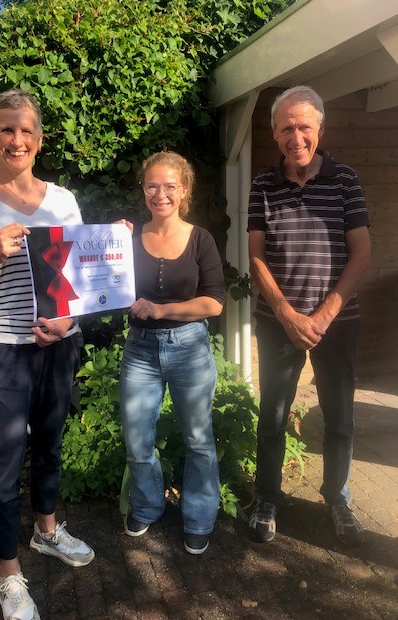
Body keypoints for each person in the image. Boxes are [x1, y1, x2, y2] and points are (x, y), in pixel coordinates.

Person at [0, 89, 95, 620]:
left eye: (26, 130)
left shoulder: (63, 200)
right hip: (4, 349)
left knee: (50, 442)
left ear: (40, 139)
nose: (17, 140)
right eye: (6, 129)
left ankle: (46, 531)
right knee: (6, 457)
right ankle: (8, 572)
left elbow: (83, 277)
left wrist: (68, 320)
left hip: (59, 343)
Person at [247, 85, 371, 546]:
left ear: (319, 128)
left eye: (304, 126)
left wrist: (323, 316)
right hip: (277, 323)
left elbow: (362, 253)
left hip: (337, 324)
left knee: (339, 416)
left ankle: (337, 496)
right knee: (273, 415)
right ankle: (267, 497)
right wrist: (286, 315)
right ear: (274, 133)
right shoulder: (263, 184)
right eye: (286, 128)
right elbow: (256, 256)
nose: (295, 137)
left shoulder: (345, 180)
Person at [119, 151, 226, 555]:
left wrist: (163, 310)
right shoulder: (128, 239)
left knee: (198, 438)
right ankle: (148, 504)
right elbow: (100, 284)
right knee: (136, 439)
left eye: (169, 186)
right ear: (143, 189)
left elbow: (214, 302)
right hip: (140, 350)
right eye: (152, 185)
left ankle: (199, 517)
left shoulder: (201, 239)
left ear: (184, 190)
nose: (160, 194)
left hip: (189, 348)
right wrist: (109, 243)